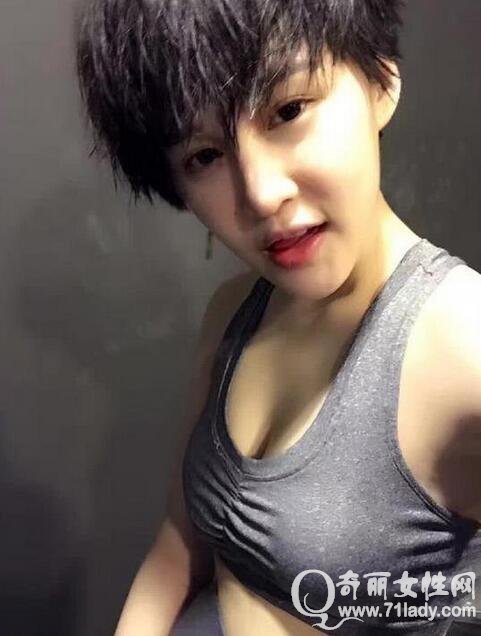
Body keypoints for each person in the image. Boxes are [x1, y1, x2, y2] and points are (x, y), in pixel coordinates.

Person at [74, 0, 481, 634]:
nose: (261, 195)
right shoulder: (234, 310)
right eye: (204, 156)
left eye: (288, 110)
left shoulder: (464, 345)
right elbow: (180, 541)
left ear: (381, 80)